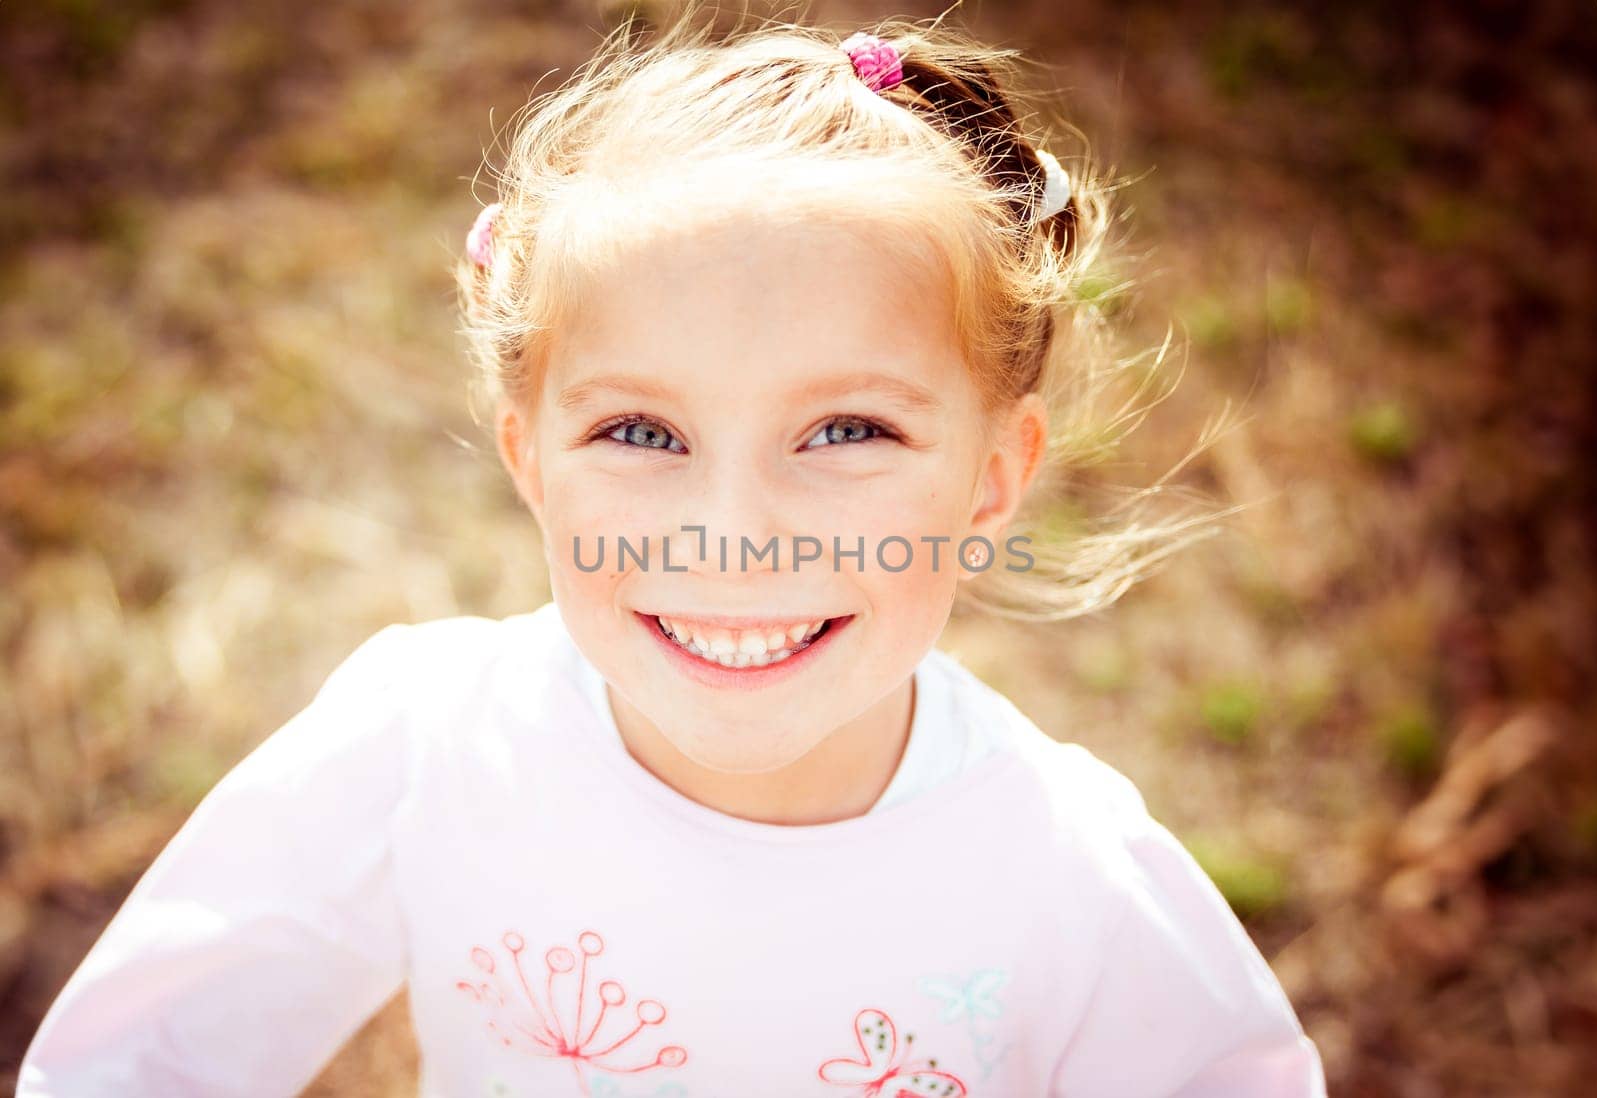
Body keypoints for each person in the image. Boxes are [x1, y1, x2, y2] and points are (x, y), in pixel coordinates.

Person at [17, 9, 1326, 1097]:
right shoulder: (427, 748)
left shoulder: (1071, 878)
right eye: (642, 429)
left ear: (991, 479)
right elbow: (135, 1065)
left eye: (846, 429)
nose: (739, 535)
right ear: (528, 455)